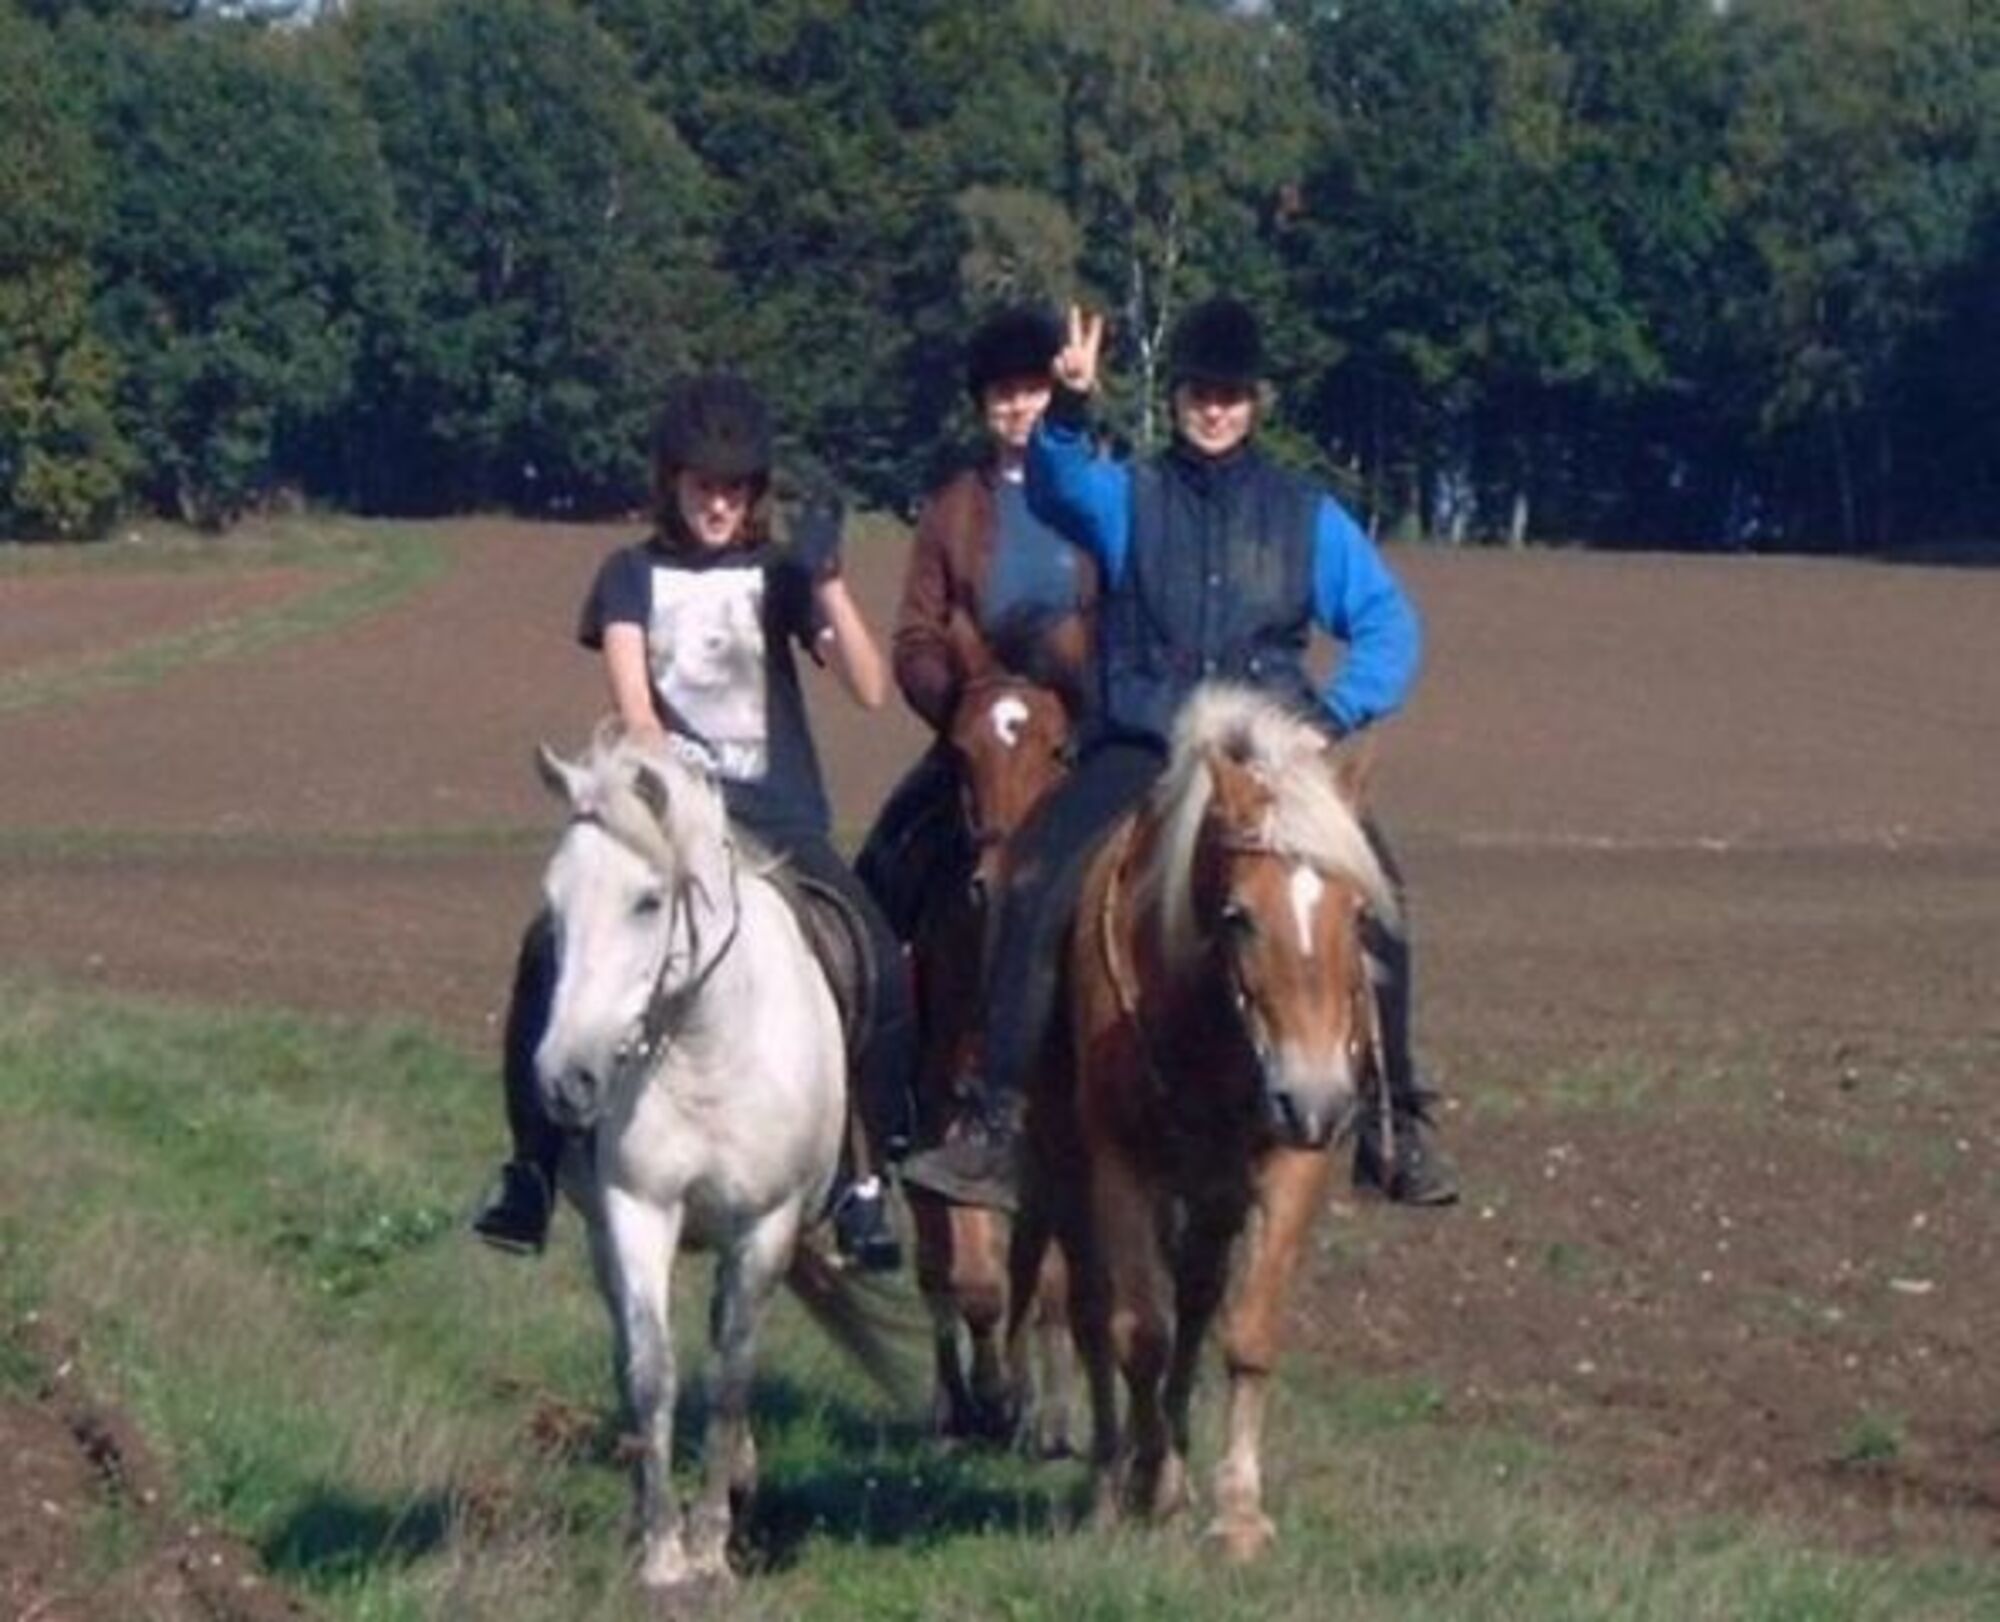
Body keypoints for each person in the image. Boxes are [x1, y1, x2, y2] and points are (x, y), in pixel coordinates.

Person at [899, 296, 1457, 1211]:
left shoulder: (1307, 517)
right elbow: (1055, 489)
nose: (1214, 410)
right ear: (1178, 399)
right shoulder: (1127, 497)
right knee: (1033, 885)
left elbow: (1389, 625)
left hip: (1270, 760)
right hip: (1146, 747)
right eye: (1200, 393)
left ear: (1255, 403)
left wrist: (1332, 714)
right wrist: (1070, 407)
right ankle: (995, 1125)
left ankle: (1396, 1124)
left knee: (1379, 896)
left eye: (1230, 395)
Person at [472, 372, 914, 1270]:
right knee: (548, 949)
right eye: (704, 486)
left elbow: (872, 690)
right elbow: (637, 714)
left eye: (735, 489)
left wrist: (828, 584)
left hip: (782, 822)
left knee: (877, 959)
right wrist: (681, 803)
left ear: (755, 493)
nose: (719, 504)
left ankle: (866, 1181)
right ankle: (531, 1169)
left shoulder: (779, 577)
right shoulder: (628, 578)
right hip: (667, 822)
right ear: (672, 482)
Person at [855, 303, 1097, 937]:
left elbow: (1122, 617)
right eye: (1003, 394)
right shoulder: (950, 510)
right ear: (984, 405)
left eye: (1033, 390)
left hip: (1079, 726)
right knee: (888, 852)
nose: (1019, 407)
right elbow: (916, 636)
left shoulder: (1098, 494)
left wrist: (1086, 700)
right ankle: (884, 981)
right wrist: (961, 709)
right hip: (977, 729)